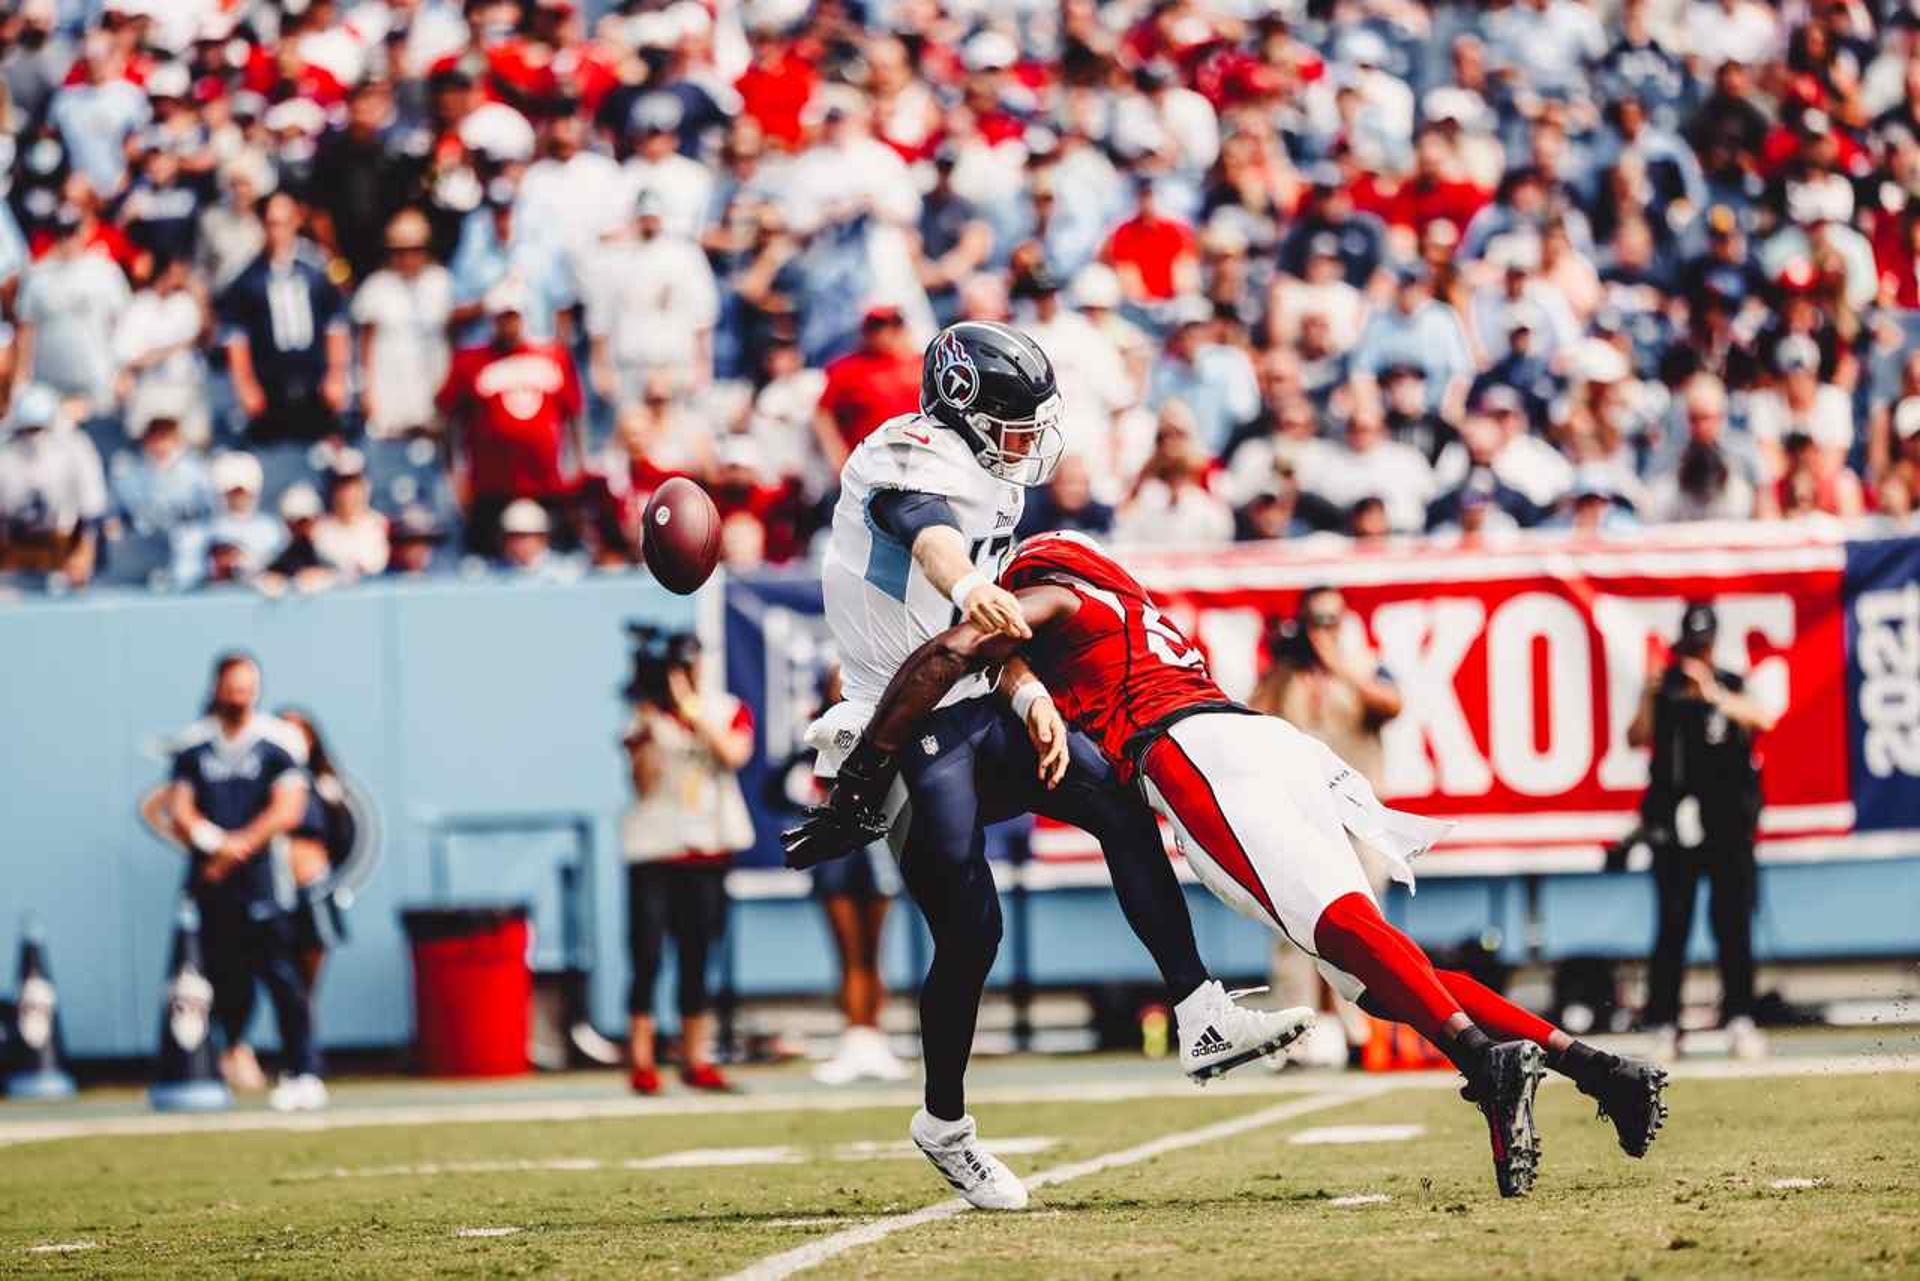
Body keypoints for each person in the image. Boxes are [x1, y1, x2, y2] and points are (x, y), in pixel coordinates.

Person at [813, 530, 1673, 1199]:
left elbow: (967, 644)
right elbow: (1017, 662)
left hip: (1194, 756)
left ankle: (1484, 1062)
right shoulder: (1128, 608)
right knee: (1370, 966)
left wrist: (869, 759)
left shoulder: (1058, 596)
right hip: (1265, 744)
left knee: (1341, 936)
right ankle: (1598, 1068)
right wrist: (1027, 685)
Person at [785, 322, 1310, 1211]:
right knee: (972, 929)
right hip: (904, 717)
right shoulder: (904, 456)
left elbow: (978, 621)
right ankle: (944, 1125)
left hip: (973, 698)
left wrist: (1027, 693)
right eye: (1014, 420)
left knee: (1116, 796)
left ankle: (1199, 1011)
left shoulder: (988, 474)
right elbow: (933, 544)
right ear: (961, 407)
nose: (1030, 438)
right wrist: (966, 590)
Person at [1250, 587, 1405, 1069]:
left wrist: (1336, 664)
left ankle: (1363, 1032)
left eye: (1331, 619)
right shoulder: (1285, 676)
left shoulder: (1364, 664)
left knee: (1362, 923)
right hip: (1297, 812)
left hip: (1354, 813)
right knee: (1292, 926)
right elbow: (1250, 718)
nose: (1322, 629)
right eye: (1314, 620)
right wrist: (1283, 665)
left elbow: (1390, 705)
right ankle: (1294, 1037)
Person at [163, 653, 325, 1111]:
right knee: (214, 978)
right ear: (217, 687)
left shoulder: (278, 741)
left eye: (246, 686)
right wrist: (212, 841)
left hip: (263, 881)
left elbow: (287, 808)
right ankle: (216, 1062)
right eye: (232, 687)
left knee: (282, 976)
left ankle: (304, 1069)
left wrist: (241, 846)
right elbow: (180, 807)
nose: (239, 696)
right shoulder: (194, 744)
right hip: (211, 881)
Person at [1625, 602, 1778, 1062]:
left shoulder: (1727, 685)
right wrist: (1650, 696)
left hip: (1726, 821)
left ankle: (1739, 1016)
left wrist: (1711, 693)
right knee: (1672, 925)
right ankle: (1666, 1022)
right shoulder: (1664, 691)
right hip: (1676, 824)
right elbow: (1636, 737)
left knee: (1732, 923)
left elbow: (1763, 719)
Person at [619, 630, 755, 1094]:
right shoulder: (647, 717)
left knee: (699, 953)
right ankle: (641, 1059)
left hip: (708, 848)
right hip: (657, 847)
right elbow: (642, 783)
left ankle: (695, 1055)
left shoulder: (724, 708)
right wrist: (646, 729)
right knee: (648, 954)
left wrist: (691, 710)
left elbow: (733, 756)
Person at [803, 666, 910, 1086]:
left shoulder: (885, 726)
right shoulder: (818, 731)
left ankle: (873, 1037)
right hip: (834, 847)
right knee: (848, 952)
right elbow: (785, 783)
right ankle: (853, 1036)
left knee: (873, 950)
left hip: (876, 843)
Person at [219, 192, 351, 444]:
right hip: (270, 385)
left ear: (296, 222)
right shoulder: (247, 279)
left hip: (315, 382)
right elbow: (236, 337)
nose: (278, 231)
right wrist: (245, 385)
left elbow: (335, 326)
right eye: (271, 223)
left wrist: (336, 376)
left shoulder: (317, 271)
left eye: (284, 222)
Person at [276, 708, 370, 998]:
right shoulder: (261, 784)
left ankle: (303, 1038)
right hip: (274, 892)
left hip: (314, 889)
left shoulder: (325, 785)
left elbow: (342, 835)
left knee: (306, 985)